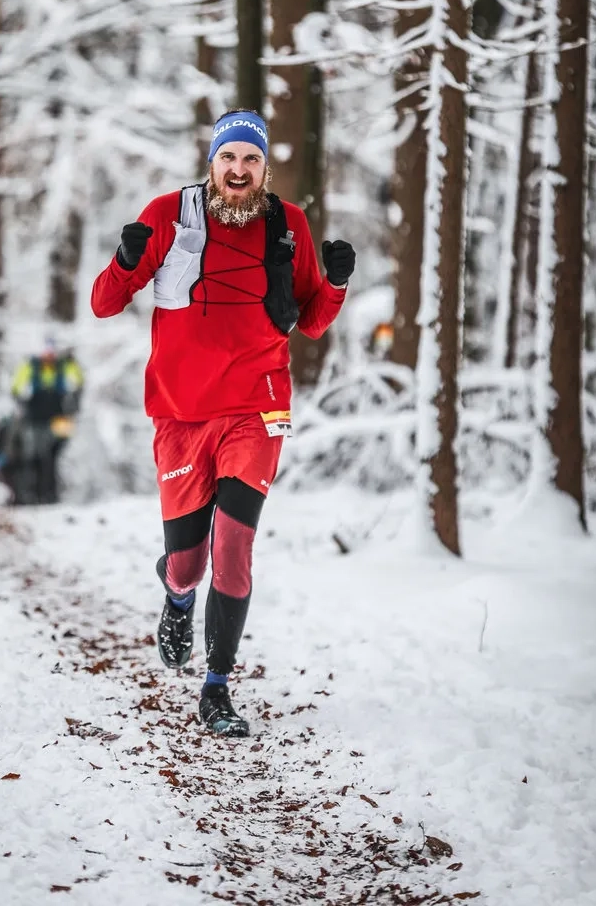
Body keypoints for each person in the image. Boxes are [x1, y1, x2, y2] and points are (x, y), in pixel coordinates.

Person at [91, 110, 355, 737]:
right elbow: (104, 303)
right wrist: (127, 259)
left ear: (265, 168)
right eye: (228, 159)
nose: (238, 171)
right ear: (212, 162)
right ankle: (177, 595)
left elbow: (311, 319)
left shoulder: (288, 226)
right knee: (190, 562)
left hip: (257, 407)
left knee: (234, 543)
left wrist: (337, 282)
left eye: (251, 161)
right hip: (181, 413)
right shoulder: (167, 214)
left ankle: (217, 688)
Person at [0, 337, 83, 505]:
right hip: (35, 418)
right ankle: (33, 493)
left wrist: (74, 401)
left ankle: (50, 494)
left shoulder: (64, 365)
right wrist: (21, 401)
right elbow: (16, 387)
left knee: (53, 455)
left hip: (58, 416)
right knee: (34, 454)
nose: (49, 354)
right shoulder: (31, 366)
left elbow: (79, 381)